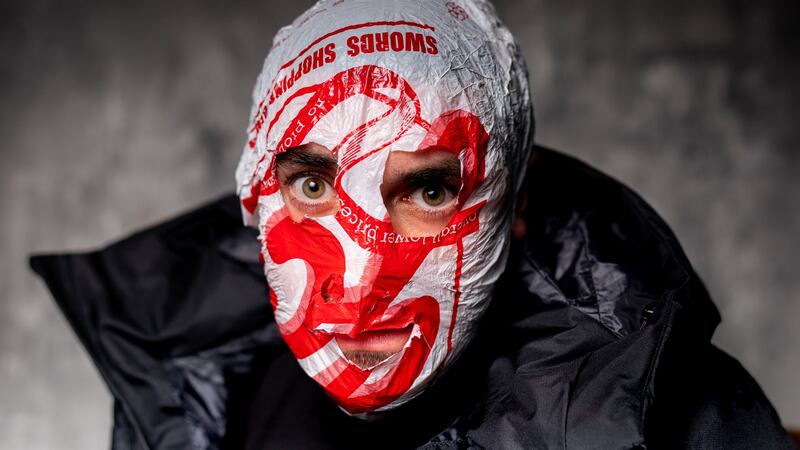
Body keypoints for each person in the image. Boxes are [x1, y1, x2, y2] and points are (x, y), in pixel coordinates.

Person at [31, 0, 794, 449]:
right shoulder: (187, 393)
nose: (360, 285)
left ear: (514, 203)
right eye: (311, 182)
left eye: (427, 191)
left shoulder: (678, 415)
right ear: (254, 197)